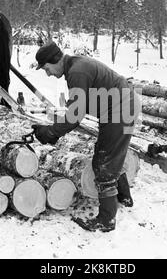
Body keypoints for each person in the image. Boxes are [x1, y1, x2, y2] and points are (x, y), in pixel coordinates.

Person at [32, 41, 140, 232]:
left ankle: (106, 220)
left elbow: (75, 115)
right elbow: (76, 109)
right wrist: (56, 129)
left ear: (55, 60)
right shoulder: (75, 66)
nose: (47, 74)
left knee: (103, 163)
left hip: (120, 110)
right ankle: (124, 196)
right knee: (108, 153)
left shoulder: (77, 72)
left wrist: (50, 132)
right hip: (120, 107)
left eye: (47, 68)